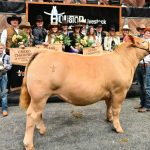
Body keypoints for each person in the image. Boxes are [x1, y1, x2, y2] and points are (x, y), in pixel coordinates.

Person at [135, 27, 150, 112]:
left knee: (147, 87)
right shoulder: (141, 41)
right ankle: (142, 103)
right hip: (140, 65)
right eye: (146, 32)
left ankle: (147, 105)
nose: (147, 34)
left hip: (147, 65)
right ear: (143, 33)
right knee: (140, 86)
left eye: (149, 33)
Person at [0, 43, 12, 117]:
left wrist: (5, 66)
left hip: (4, 76)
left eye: (1, 48)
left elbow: (10, 65)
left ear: (3, 48)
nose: (0, 50)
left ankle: (4, 109)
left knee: (4, 93)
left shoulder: (7, 56)